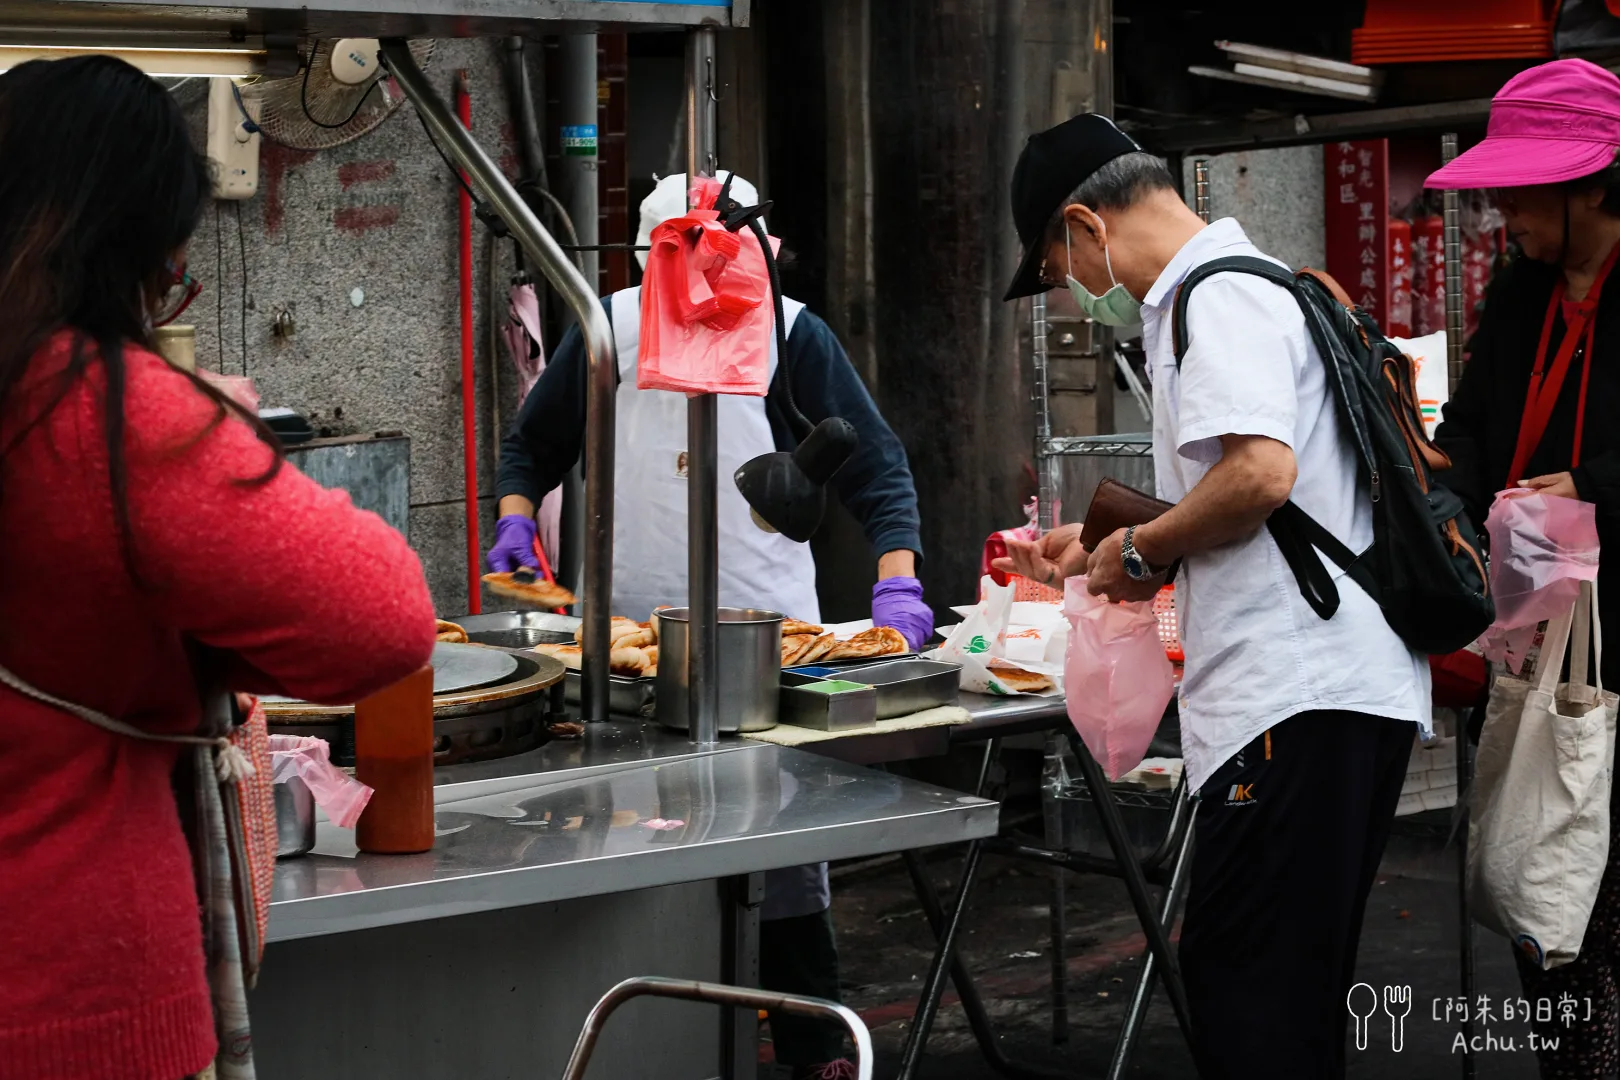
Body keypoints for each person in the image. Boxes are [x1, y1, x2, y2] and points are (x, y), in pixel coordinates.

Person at [0, 56, 438, 1079]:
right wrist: (223, 441)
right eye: (171, 271)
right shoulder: (105, 415)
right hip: (75, 999)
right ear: (128, 252)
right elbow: (383, 619)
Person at [995, 115, 1430, 1078]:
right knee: (1284, 986)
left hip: (1296, 693)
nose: (1070, 290)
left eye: (1057, 265)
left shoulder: (1214, 298)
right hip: (1332, 688)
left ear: (1084, 223)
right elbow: (1265, 495)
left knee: (1251, 990)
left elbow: (1262, 478)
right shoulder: (1245, 286)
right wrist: (1106, 542)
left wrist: (1142, 552)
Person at [493, 172, 929, 1079]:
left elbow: (877, 471)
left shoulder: (791, 331)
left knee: (778, 852)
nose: (707, 298)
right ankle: (655, 1046)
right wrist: (514, 518)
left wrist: (899, 586)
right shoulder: (607, 326)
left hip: (766, 639)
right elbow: (534, 445)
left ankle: (812, 1052)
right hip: (626, 641)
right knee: (635, 838)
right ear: (651, 265)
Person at [1429, 58, 1620, 1078]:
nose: (1506, 210)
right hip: (1535, 623)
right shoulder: (1521, 292)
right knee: (1544, 897)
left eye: (1523, 187)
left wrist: (1589, 482)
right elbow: (1469, 431)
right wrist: (1437, 482)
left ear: (1593, 182)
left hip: (1613, 641)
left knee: (1605, 889)